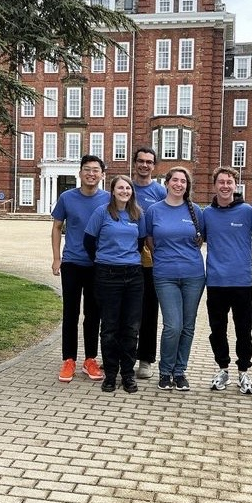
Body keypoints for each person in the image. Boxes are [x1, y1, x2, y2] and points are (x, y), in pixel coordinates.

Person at [83, 175, 146, 393]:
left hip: (133, 276)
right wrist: (106, 259)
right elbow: (89, 241)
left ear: (132, 192)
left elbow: (139, 243)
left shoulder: (138, 214)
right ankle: (110, 373)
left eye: (128, 188)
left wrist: (125, 259)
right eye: (120, 187)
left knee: (130, 328)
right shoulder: (102, 212)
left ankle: (127, 374)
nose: (124, 191)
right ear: (112, 190)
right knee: (109, 327)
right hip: (107, 275)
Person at [202, 167, 252, 394]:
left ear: (235, 186)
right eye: (221, 182)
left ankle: (243, 371)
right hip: (216, 281)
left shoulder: (247, 212)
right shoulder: (207, 213)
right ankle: (222, 368)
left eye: (229, 182)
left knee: (244, 329)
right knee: (217, 329)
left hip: (241, 282)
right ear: (215, 185)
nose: (225, 186)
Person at [145, 167, 205, 391]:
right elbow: (149, 240)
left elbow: (199, 239)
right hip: (164, 275)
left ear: (187, 186)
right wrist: (163, 257)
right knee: (173, 325)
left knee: (188, 326)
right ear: (167, 183)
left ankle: (179, 372)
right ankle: (165, 370)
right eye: (175, 180)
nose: (179, 184)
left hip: (194, 275)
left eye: (184, 181)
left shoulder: (195, 211)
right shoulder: (154, 210)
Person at [51, 155, 109, 383]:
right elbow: (56, 228)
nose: (91, 174)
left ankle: (90, 359)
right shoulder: (67, 198)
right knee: (70, 313)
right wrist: (57, 258)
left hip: (98, 264)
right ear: (80, 173)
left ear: (102, 174)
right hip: (72, 263)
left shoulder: (108, 199)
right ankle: (69, 360)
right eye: (87, 169)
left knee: (93, 314)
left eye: (96, 170)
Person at [131, 147, 167, 379]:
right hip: (123, 254)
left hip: (150, 256)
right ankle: (120, 354)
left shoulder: (160, 191)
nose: (145, 165)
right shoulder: (124, 187)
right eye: (141, 161)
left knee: (148, 309)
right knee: (123, 309)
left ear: (154, 166)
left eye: (149, 162)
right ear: (135, 163)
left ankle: (145, 359)